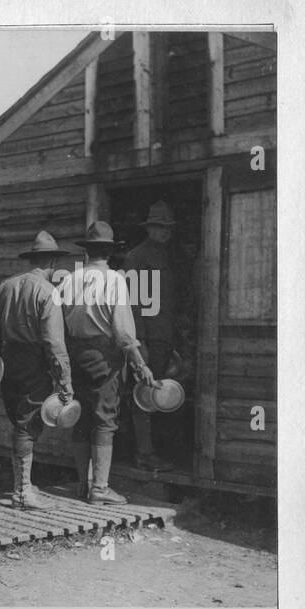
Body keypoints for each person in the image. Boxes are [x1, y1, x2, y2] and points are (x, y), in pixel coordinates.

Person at [59, 221, 156, 504]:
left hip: (75, 354)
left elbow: (59, 323)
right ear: (110, 253)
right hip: (104, 357)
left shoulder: (69, 280)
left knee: (80, 416)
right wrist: (140, 364)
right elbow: (124, 332)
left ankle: (82, 484)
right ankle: (99, 489)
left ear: (88, 252)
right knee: (104, 419)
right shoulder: (114, 280)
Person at [0, 231, 75, 509]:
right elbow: (54, 343)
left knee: (20, 422)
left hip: (9, 359)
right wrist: (64, 382)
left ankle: (24, 482)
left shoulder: (5, 287)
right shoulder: (48, 293)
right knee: (27, 426)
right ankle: (22, 491)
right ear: (53, 263)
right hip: (36, 361)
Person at [122, 200, 185, 470]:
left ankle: (155, 451)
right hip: (147, 338)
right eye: (160, 226)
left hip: (165, 338)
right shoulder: (137, 257)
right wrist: (141, 344)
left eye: (168, 227)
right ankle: (144, 454)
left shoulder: (167, 255)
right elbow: (134, 305)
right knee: (143, 395)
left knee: (162, 396)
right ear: (149, 228)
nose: (165, 231)